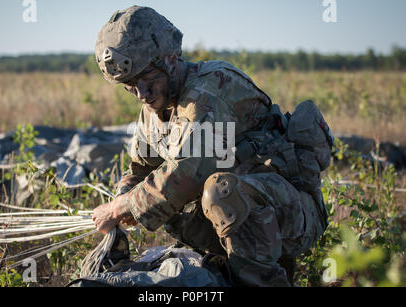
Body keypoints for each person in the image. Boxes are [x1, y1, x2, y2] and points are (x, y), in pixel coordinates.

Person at [91, 6, 331, 287]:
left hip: (293, 215)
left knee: (220, 190)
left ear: (169, 60)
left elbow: (183, 176)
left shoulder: (209, 91)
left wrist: (121, 207)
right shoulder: (154, 108)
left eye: (148, 80)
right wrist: (120, 201)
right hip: (234, 225)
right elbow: (141, 169)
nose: (141, 94)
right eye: (130, 86)